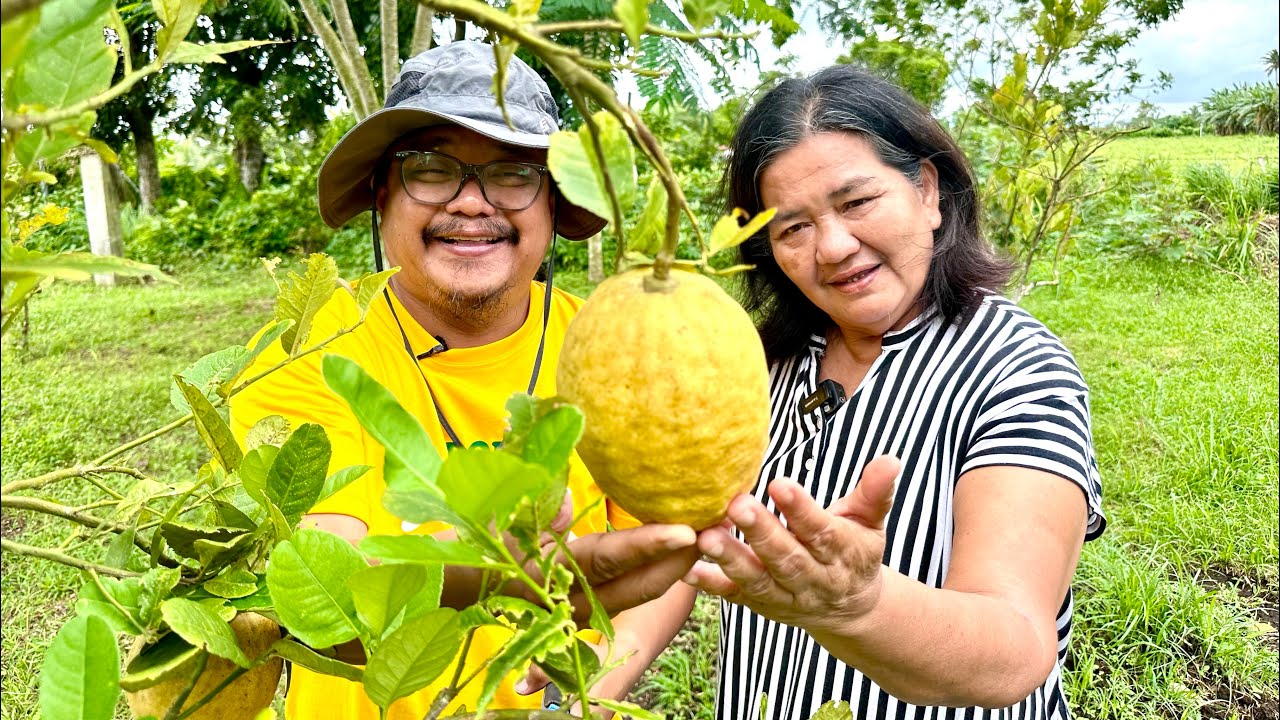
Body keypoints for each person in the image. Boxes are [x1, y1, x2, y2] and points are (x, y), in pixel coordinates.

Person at [230, 40, 698, 720]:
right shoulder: (306, 351)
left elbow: (662, 546)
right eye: (430, 168)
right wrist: (491, 561)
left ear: (553, 205)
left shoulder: (617, 348)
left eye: (512, 172)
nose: (473, 204)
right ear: (382, 196)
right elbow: (327, 592)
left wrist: (597, 682)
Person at [681, 64, 1106, 720]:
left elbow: (1017, 644)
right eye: (792, 227)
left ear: (928, 192)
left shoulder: (1018, 370)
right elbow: (692, 541)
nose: (833, 246)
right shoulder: (762, 365)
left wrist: (859, 606)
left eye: (856, 203)